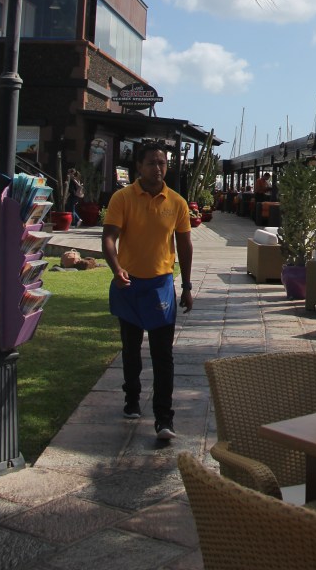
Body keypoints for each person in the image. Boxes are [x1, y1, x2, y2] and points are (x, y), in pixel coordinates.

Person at [101, 143, 193, 440]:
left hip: (160, 287)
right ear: (138, 166)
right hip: (128, 284)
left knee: (163, 355)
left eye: (163, 163)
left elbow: (185, 245)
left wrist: (187, 286)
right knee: (131, 350)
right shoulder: (122, 198)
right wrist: (116, 269)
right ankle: (131, 398)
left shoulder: (177, 202)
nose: (158, 168)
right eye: (152, 162)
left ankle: (164, 419)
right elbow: (109, 238)